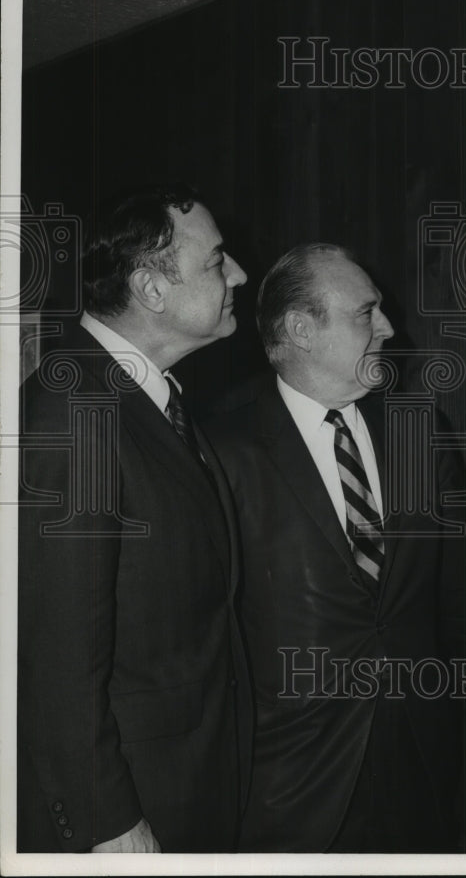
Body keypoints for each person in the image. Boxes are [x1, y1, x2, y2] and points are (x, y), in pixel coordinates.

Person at [206, 242, 466, 853]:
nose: (389, 328)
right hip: (284, 785)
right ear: (302, 330)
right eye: (366, 313)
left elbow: (463, 585)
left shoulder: (418, 429)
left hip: (420, 762)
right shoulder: (219, 446)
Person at [17, 184, 252, 852]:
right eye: (216, 262)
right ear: (152, 289)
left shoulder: (154, 401)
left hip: (188, 783)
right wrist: (108, 823)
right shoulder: (74, 411)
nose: (238, 274)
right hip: (131, 809)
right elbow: (54, 653)